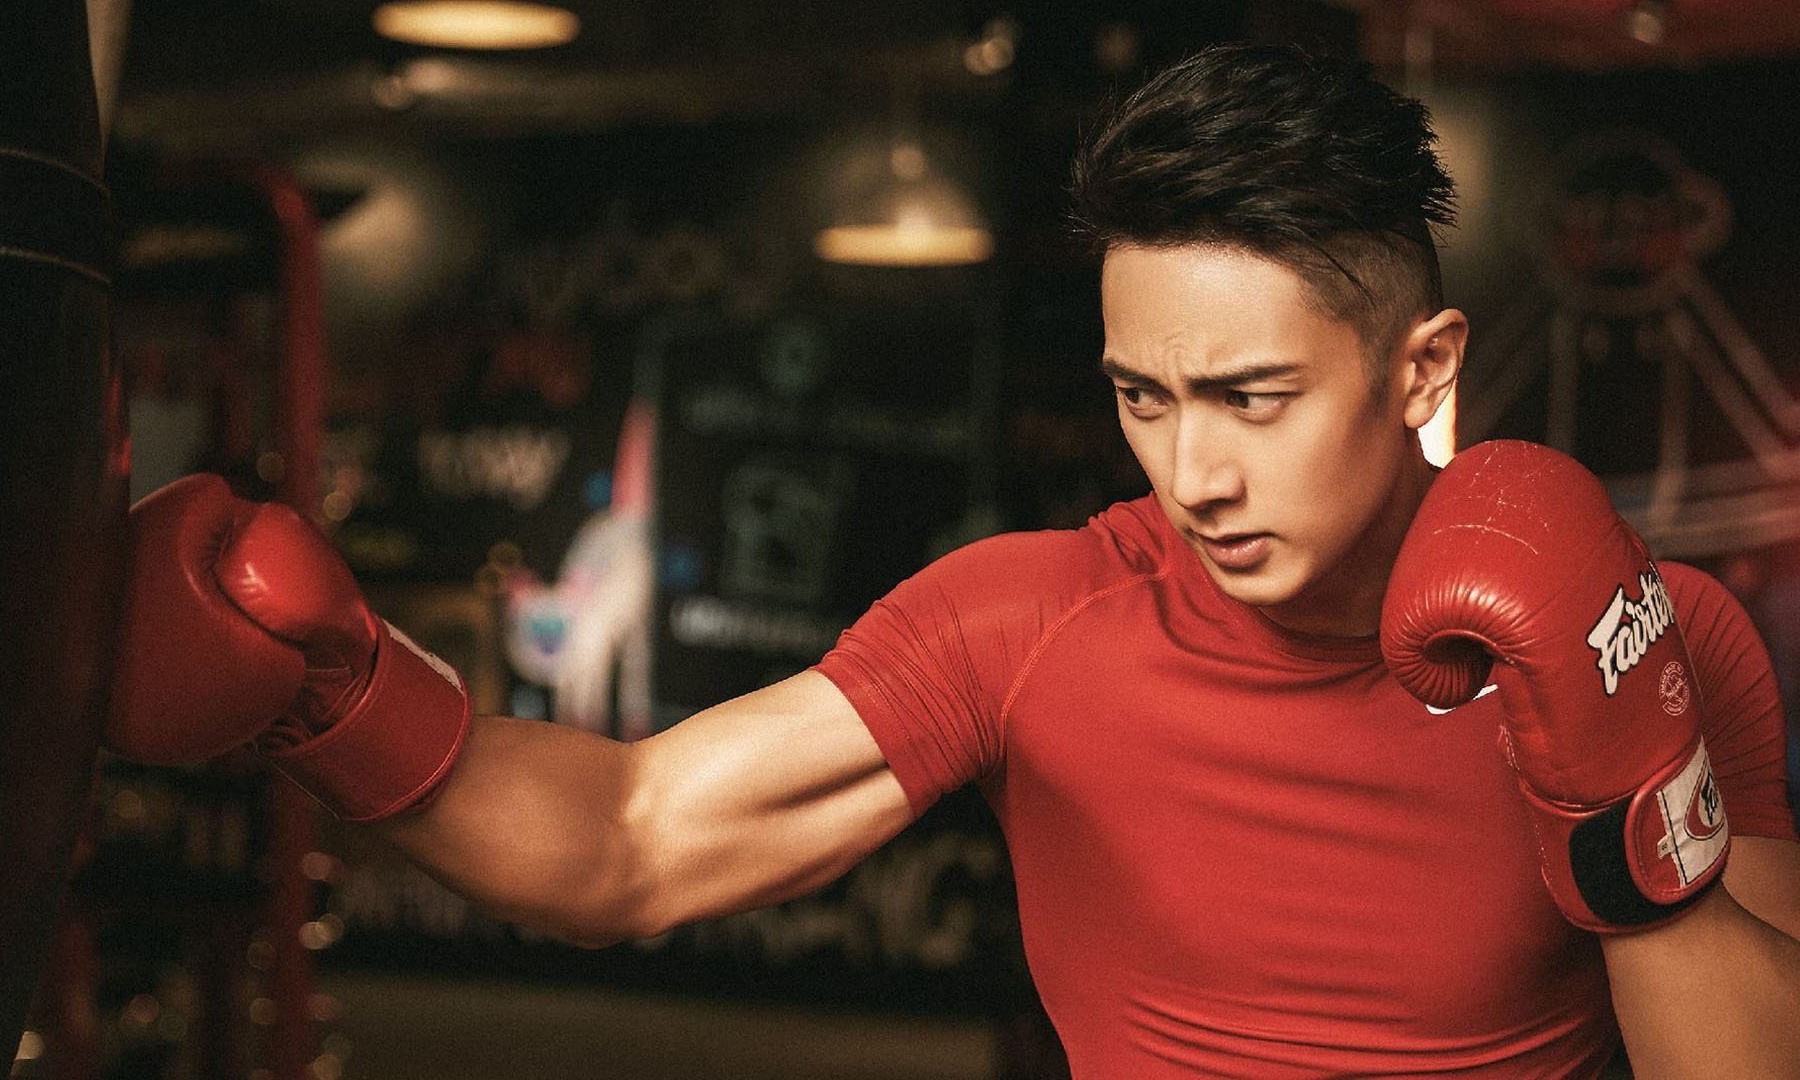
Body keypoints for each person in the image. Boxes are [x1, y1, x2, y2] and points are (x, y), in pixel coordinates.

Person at [108, 44, 1799, 1077]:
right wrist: (338, 700)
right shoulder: (1032, 618)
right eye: (1145, 397)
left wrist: (1623, 797)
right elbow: (631, 839)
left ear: (1421, 372)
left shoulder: (1667, 636)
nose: (1194, 473)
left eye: (1255, 398)